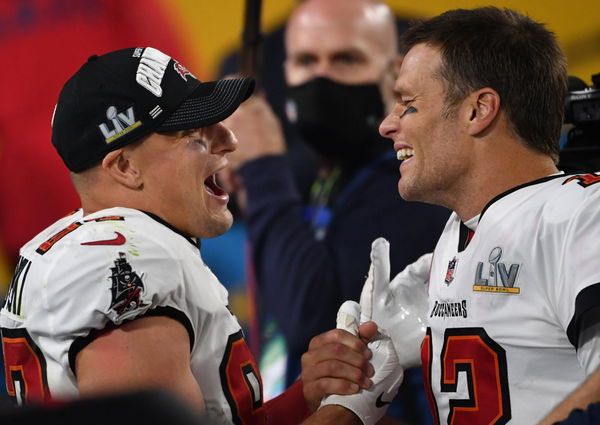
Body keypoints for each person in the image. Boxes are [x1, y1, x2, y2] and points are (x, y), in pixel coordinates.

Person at [0, 46, 403, 425]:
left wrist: (305, 397)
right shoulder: (128, 260)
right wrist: (345, 413)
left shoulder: (84, 240)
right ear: (124, 166)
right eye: (196, 134)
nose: (229, 141)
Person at [303, 6, 600, 425]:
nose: (388, 124)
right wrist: (352, 403)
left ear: (478, 111)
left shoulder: (580, 212)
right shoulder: (458, 235)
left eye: (408, 104)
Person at [221, 1, 449, 421]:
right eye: (306, 60)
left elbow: (318, 331)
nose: (321, 77)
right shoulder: (330, 176)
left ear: (394, 72)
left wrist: (263, 168)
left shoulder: (411, 182)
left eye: (346, 59)